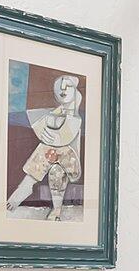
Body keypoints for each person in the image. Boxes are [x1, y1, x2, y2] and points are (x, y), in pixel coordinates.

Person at [7, 74, 83, 220]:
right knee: (53, 164)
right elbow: (40, 124)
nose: (63, 90)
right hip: (54, 158)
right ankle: (54, 208)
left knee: (51, 156)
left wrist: (53, 136)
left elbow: (64, 137)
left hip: (70, 162)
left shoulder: (75, 117)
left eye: (67, 87)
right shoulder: (57, 111)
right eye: (60, 87)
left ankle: (28, 187)